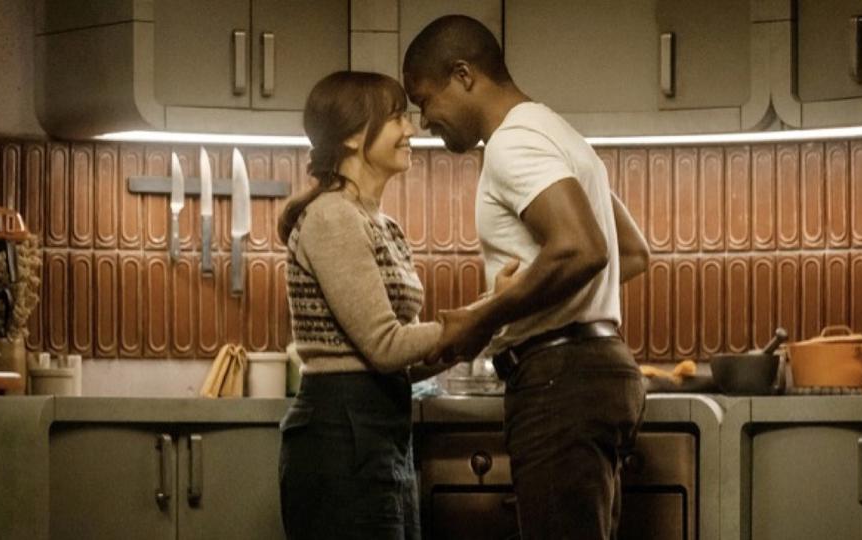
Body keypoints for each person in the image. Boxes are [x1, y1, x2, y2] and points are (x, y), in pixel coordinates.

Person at [403, 15, 650, 540]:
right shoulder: (558, 133)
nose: (424, 121)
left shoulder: (512, 144)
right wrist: (521, 301)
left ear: (463, 75)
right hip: (598, 370)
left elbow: (584, 249)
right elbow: (630, 253)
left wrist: (484, 317)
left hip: (559, 380)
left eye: (424, 101)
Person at [276, 70, 444, 540]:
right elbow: (385, 346)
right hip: (339, 433)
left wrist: (484, 327)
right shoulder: (332, 217)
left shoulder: (382, 225)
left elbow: (399, 357)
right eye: (396, 118)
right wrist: (474, 321)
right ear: (352, 136)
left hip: (377, 430)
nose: (411, 130)